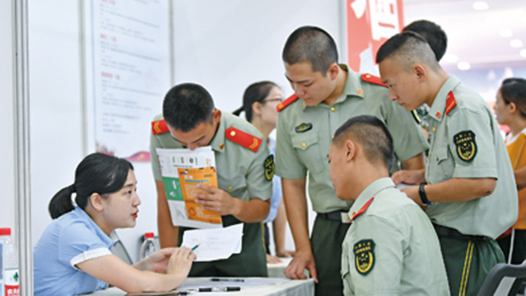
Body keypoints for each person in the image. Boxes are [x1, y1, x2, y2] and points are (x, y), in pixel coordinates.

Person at [276, 25, 429, 295]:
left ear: (333, 70)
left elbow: (414, 165)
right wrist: (302, 248)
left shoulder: (382, 94)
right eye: (291, 82)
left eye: (306, 83)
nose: (298, 91)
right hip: (328, 230)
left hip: (383, 220)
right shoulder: (290, 115)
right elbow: (293, 184)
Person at [376, 31, 518, 296]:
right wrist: (419, 176)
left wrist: (419, 194)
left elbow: (481, 183)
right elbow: (460, 171)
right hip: (454, 245)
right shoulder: (444, 111)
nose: (392, 96)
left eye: (392, 85)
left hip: (465, 250)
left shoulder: (462, 109)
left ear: (419, 72)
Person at [150, 82, 272, 276]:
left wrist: (233, 205)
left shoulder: (250, 142)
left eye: (199, 140)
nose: (191, 148)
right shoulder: (161, 133)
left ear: (215, 117)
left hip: (240, 232)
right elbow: (165, 198)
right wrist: (168, 259)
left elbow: (263, 208)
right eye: (181, 142)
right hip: (189, 230)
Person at [33, 153, 195, 296]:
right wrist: (177, 276)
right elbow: (139, 285)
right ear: (97, 201)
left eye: (135, 190)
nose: (137, 201)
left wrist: (146, 265)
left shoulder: (94, 231)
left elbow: (108, 281)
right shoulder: (74, 231)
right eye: (128, 192)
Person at [329, 115, 449, 296]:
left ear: (349, 151)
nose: (329, 172)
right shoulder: (405, 206)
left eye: (330, 160)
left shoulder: (375, 218)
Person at [233, 81, 295, 263]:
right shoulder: (239, 147)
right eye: (277, 100)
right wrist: (256, 251)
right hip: (242, 237)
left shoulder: (276, 148)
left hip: (263, 233)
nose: (283, 105)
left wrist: (280, 248)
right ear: (257, 107)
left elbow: (280, 203)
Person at [493, 78, 526, 264]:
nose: (495, 108)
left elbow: (520, 179)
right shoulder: (507, 139)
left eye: (498, 102)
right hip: (507, 225)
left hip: (521, 224)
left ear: (511, 107)